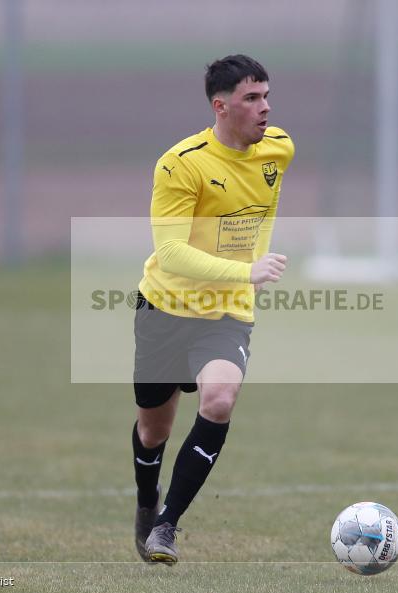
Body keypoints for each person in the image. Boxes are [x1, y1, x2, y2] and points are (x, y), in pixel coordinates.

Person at [130, 54, 295, 563]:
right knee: (154, 427)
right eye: (251, 99)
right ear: (221, 107)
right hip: (165, 308)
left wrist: (242, 283)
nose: (264, 108)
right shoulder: (181, 164)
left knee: (219, 400)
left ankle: (166, 527)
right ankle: (145, 502)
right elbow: (174, 252)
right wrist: (246, 270)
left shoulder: (279, 150)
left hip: (226, 314)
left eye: (266, 96)